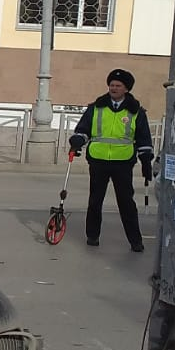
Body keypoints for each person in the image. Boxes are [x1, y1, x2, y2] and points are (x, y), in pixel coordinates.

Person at [68, 68, 154, 252]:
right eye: (111, 85)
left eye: (118, 86)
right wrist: (78, 139)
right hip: (98, 160)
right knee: (95, 201)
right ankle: (92, 236)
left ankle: (135, 241)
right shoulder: (96, 107)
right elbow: (83, 129)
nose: (113, 88)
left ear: (126, 89)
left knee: (126, 203)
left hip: (123, 162)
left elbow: (144, 138)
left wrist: (146, 161)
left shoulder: (136, 111)